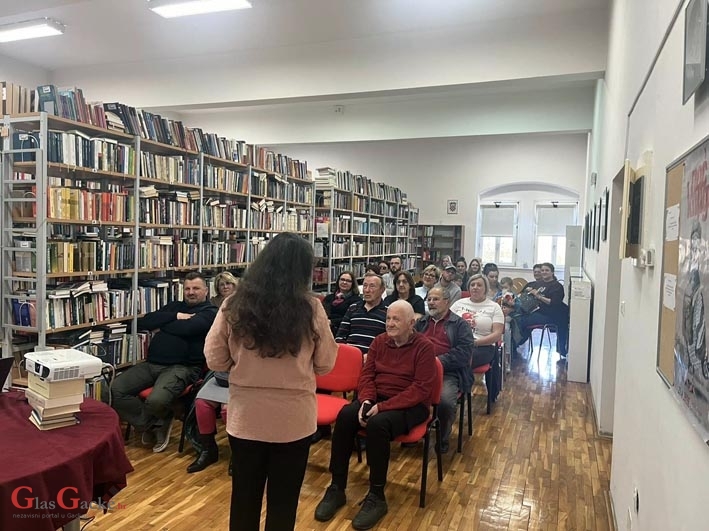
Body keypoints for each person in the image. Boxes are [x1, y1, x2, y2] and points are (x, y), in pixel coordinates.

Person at [204, 232, 338, 531]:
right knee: (284, 502)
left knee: (244, 498)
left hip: (247, 415)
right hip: (294, 418)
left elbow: (215, 359)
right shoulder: (311, 308)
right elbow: (326, 364)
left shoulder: (233, 304)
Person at [314, 300, 437, 530]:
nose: (390, 323)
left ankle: (377, 496)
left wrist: (382, 407)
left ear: (411, 323)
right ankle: (337, 486)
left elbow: (420, 389)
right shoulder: (380, 342)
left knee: (377, 424)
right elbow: (367, 375)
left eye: (396, 319)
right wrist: (367, 401)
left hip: (411, 405)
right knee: (346, 415)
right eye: (388, 318)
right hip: (377, 398)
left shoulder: (424, 347)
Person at [109, 271, 217, 453]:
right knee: (114, 390)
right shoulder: (175, 307)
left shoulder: (210, 312)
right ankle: (156, 422)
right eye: (187, 288)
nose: (191, 292)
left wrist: (163, 323)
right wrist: (175, 316)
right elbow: (146, 322)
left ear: (206, 291)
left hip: (182, 368)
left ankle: (154, 420)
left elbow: (189, 328)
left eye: (196, 288)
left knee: (156, 400)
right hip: (151, 364)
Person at [415, 287, 474, 453]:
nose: (431, 303)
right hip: (419, 371)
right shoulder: (421, 323)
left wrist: (437, 362)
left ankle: (442, 437)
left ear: (447, 302)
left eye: (436, 299)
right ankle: (411, 430)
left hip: (448, 372)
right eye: (429, 299)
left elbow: (464, 353)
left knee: (445, 402)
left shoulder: (460, 325)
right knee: (399, 391)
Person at [450, 274, 505, 370]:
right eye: (472, 285)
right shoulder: (458, 304)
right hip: (457, 343)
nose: (475, 287)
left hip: (482, 346)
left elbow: (497, 335)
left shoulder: (494, 307)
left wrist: (474, 343)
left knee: (460, 359)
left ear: (485, 289)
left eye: (479, 285)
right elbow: (446, 324)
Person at [516, 263, 569, 357]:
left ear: (552, 272)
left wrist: (538, 296)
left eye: (547, 270)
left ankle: (515, 344)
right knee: (517, 318)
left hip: (550, 315)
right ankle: (515, 344)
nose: (544, 272)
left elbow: (553, 303)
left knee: (522, 321)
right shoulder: (538, 284)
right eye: (542, 270)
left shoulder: (557, 286)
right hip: (536, 311)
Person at [335, 272, 388, 359]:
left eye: (372, 286)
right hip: (349, 356)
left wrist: (372, 357)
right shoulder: (353, 308)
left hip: (373, 359)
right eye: (365, 286)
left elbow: (388, 343)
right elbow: (340, 336)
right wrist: (346, 352)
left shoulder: (388, 312)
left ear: (382, 290)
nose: (367, 290)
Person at [186, 371, 230, 474]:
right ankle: (208, 451)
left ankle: (238, 455)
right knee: (201, 403)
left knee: (228, 409)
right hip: (221, 379)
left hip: (246, 382)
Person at [322, 271, 361, 336]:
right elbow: (322, 313)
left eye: (348, 281)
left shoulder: (356, 300)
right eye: (342, 279)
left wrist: (332, 322)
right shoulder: (329, 298)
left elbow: (352, 318)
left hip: (343, 330)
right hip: (325, 327)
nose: (344, 282)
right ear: (338, 281)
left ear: (353, 284)